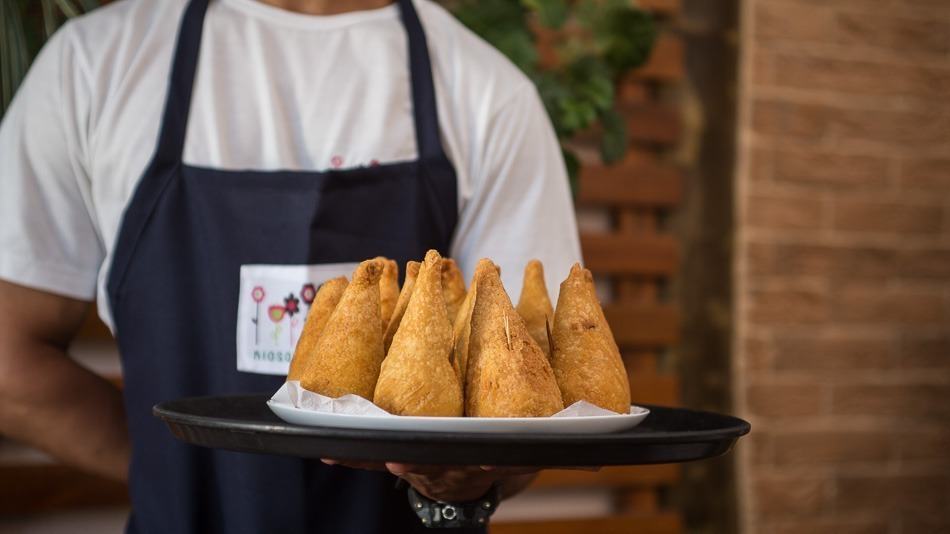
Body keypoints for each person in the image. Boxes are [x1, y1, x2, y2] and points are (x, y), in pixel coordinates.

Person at [0, 0, 581, 532]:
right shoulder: (91, 65)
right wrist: (168, 461)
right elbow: (9, 360)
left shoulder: (488, 93)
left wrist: (463, 482)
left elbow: (528, 398)